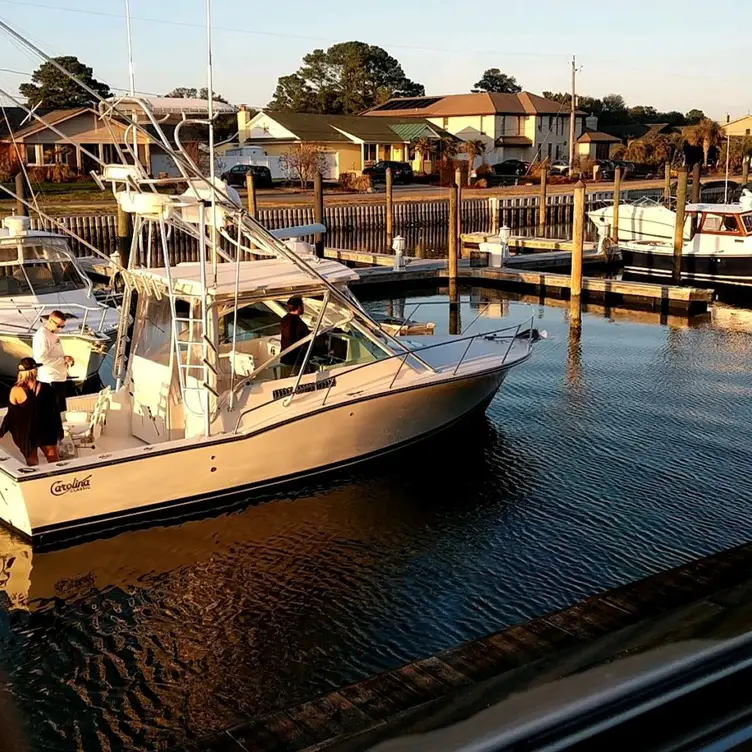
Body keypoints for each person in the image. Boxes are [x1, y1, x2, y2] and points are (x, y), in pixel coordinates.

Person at [0, 358, 64, 466]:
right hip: (45, 430)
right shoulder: (46, 388)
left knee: (32, 463)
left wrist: (2, 431)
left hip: (26, 433)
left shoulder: (15, 391)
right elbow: (55, 412)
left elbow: (11, 415)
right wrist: (59, 430)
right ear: (34, 371)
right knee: (54, 461)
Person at [32, 309, 73, 413]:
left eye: (62, 326)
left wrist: (66, 360)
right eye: (58, 326)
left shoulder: (52, 333)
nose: (60, 329)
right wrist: (62, 360)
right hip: (50, 378)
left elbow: (54, 353)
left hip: (59, 378)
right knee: (54, 412)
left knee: (61, 410)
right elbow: (40, 359)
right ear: (50, 320)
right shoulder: (42, 336)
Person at [280, 296, 310, 373]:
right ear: (298, 307)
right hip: (295, 361)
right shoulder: (297, 323)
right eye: (302, 305)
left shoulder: (284, 319)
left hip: (285, 357)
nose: (303, 307)